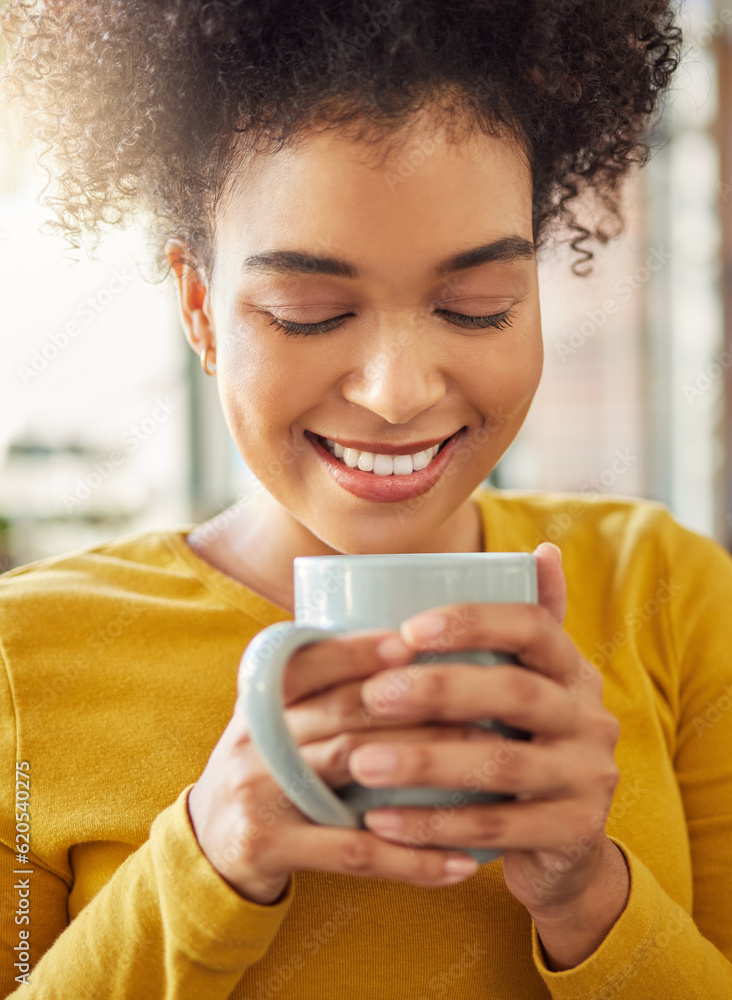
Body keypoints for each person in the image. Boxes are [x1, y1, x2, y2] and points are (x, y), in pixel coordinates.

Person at [1, 0, 730, 997]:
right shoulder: (26, 658)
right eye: (312, 313)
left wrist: (588, 894)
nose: (398, 392)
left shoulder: (672, 595)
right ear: (202, 307)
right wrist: (207, 861)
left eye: (480, 307)